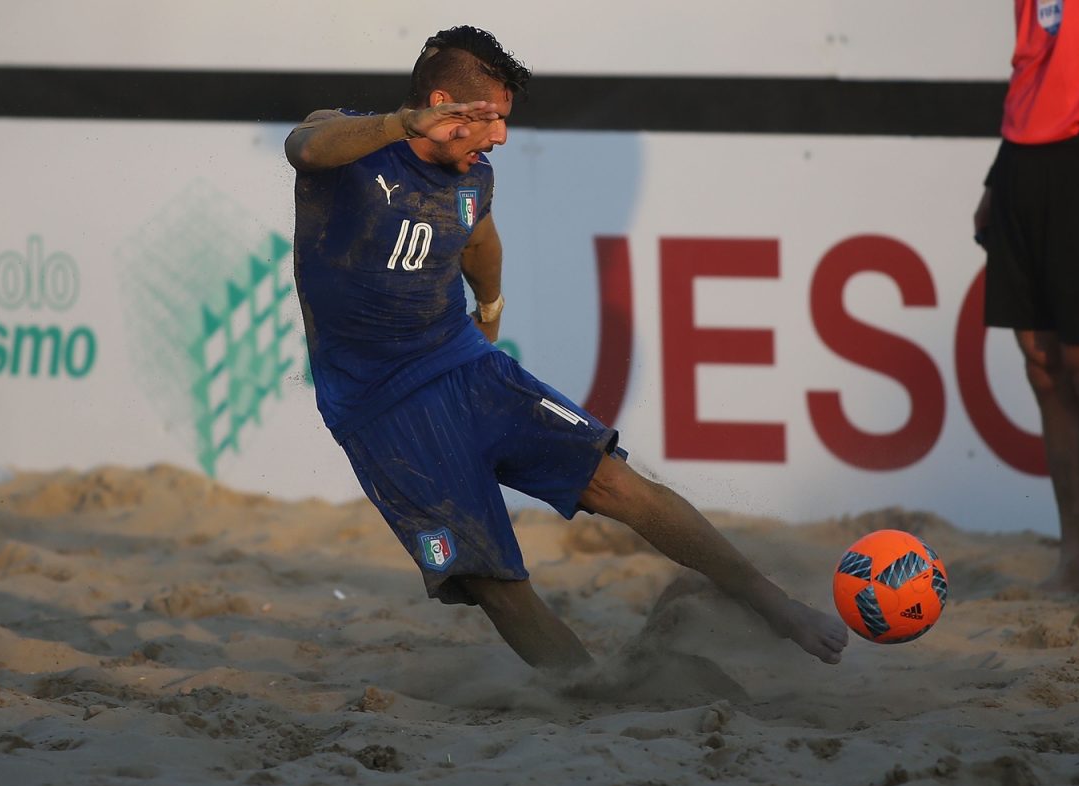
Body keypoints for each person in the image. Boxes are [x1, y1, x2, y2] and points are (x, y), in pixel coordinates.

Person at [284, 25, 848, 672]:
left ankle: (774, 605)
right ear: (440, 106)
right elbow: (304, 146)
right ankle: (588, 694)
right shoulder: (353, 143)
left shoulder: (474, 178)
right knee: (495, 579)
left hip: (463, 363)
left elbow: (479, 242)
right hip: (381, 408)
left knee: (614, 478)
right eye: (490, 119)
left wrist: (489, 314)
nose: (500, 136)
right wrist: (402, 122)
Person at [974, 1, 1079, 595]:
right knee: (1044, 367)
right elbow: (1033, 62)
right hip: (1023, 159)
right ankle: (1075, 553)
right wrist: (999, 174)